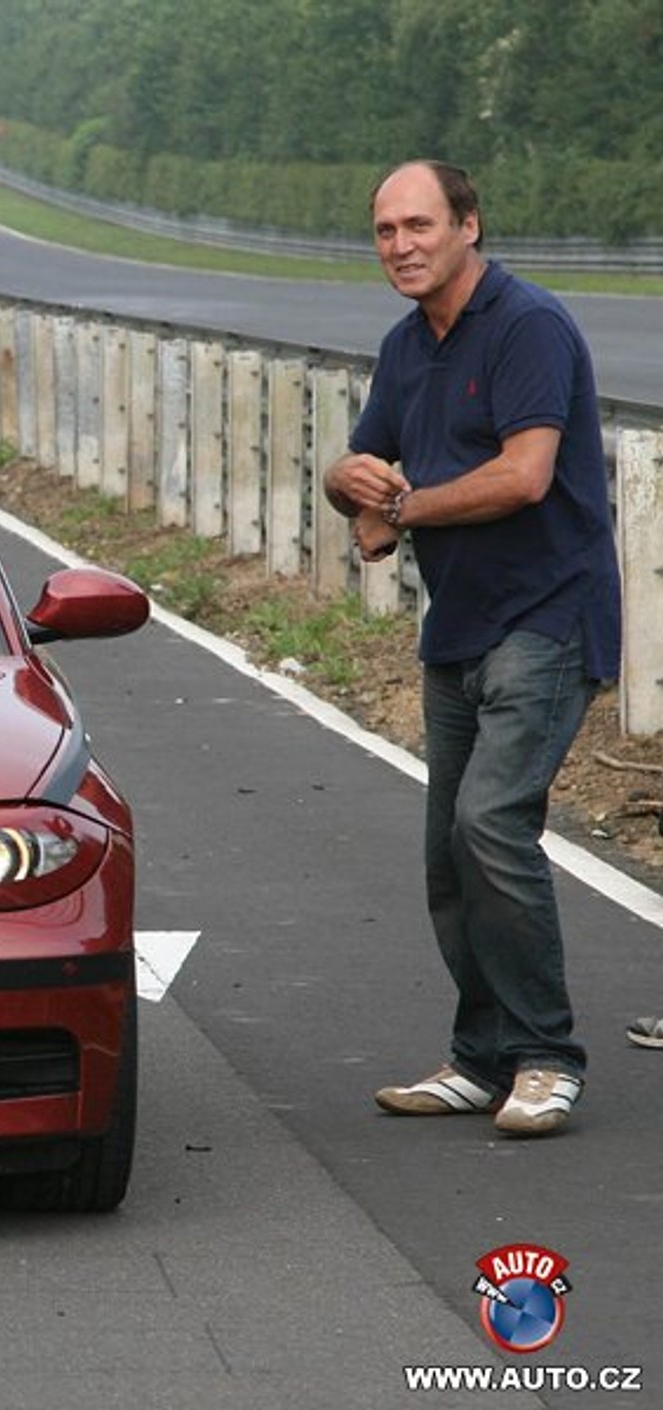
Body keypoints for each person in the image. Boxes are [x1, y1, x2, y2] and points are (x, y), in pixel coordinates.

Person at [324, 160, 621, 1138]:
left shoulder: (527, 326)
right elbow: (364, 466)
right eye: (384, 231)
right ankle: (481, 1056)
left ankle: (546, 1057)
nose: (400, 246)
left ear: (468, 226)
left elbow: (524, 475)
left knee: (490, 822)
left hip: (546, 616)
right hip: (455, 624)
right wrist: (348, 485)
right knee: (448, 857)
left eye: (418, 225)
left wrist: (401, 508)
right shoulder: (406, 345)